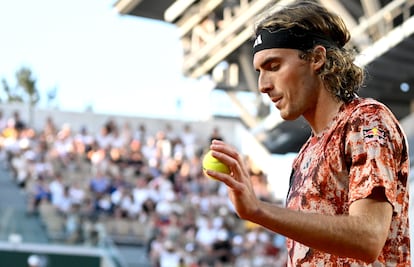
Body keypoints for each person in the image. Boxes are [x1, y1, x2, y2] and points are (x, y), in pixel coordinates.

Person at [206, 1, 410, 266]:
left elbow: (368, 238)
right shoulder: (304, 156)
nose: (262, 86)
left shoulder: (366, 120)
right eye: (259, 72)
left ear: (316, 58)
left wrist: (258, 210)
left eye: (274, 66)